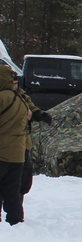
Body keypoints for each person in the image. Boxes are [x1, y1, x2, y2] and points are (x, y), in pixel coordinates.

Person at [8, 69, 52, 198]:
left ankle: (16, 212)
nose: (16, 84)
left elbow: (29, 105)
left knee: (23, 180)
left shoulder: (20, 94)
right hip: (10, 143)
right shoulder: (6, 96)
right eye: (13, 81)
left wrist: (38, 113)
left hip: (23, 142)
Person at [0, 69, 33, 225]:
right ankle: (15, 220)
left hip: (2, 151)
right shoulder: (21, 100)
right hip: (18, 153)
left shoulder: (2, 98)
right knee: (13, 191)